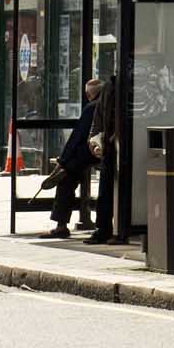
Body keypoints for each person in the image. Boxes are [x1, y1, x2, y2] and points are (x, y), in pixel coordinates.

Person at [46, 79, 103, 239]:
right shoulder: (108, 104)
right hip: (105, 150)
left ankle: (61, 225)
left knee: (66, 178)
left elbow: (77, 137)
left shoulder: (92, 107)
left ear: (88, 94)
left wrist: (63, 161)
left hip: (93, 151)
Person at [85, 72, 119, 244]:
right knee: (105, 189)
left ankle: (114, 229)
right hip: (109, 146)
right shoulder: (110, 87)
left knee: (111, 189)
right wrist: (93, 139)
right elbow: (99, 117)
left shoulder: (116, 86)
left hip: (119, 145)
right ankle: (104, 228)